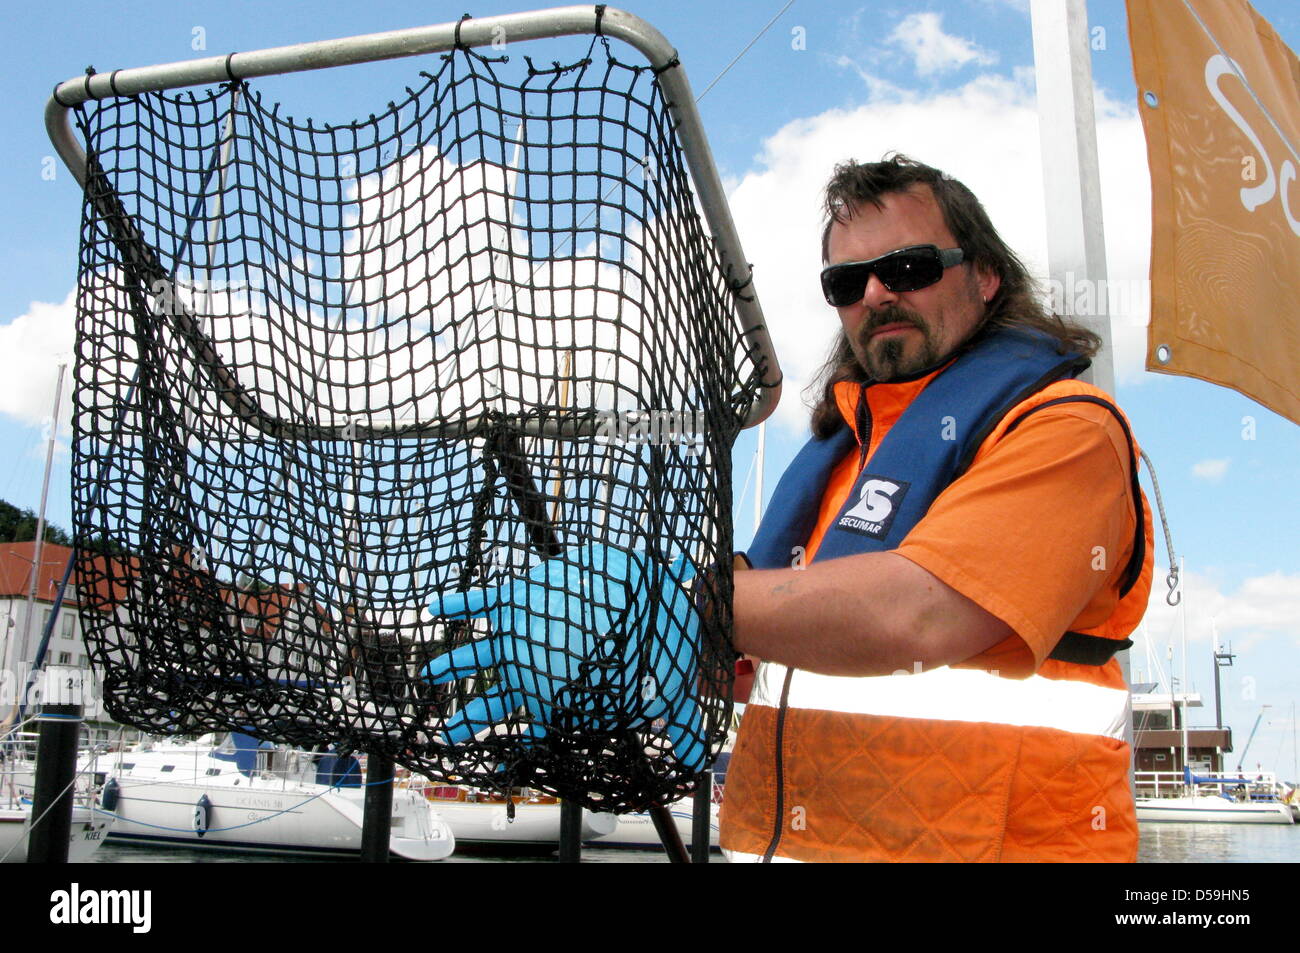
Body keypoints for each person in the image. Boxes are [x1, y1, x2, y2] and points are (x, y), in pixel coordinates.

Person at [718, 154, 1154, 863]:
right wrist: (611, 644)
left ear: (985, 276)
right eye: (847, 282)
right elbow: (766, 654)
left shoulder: (1069, 431)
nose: (878, 293)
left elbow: (917, 614)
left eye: (910, 267)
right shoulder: (840, 455)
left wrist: (667, 598)